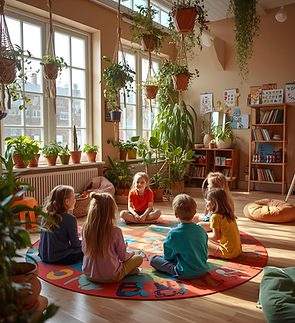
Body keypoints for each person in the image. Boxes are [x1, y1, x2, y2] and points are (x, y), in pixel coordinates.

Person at [82, 192, 143, 283]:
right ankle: (127, 272)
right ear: (112, 211)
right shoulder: (115, 231)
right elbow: (123, 257)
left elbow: (84, 250)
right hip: (110, 276)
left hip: (88, 274)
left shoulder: (85, 228)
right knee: (139, 258)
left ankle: (128, 271)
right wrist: (131, 252)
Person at [149, 194, 208, 280]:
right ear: (195, 212)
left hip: (184, 272)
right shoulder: (201, 229)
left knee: (153, 260)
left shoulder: (173, 234)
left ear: (176, 215)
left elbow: (167, 257)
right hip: (202, 269)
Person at [38, 185, 83, 265]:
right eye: (73, 198)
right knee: (89, 248)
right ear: (67, 202)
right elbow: (75, 244)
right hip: (61, 257)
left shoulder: (45, 216)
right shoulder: (70, 219)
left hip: (44, 255)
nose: (75, 200)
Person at [206, 188, 242, 259]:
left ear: (215, 202)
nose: (206, 202)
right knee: (208, 240)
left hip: (227, 252)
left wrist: (205, 235)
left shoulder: (215, 217)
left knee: (199, 242)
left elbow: (216, 237)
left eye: (208, 200)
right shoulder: (229, 214)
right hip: (237, 250)